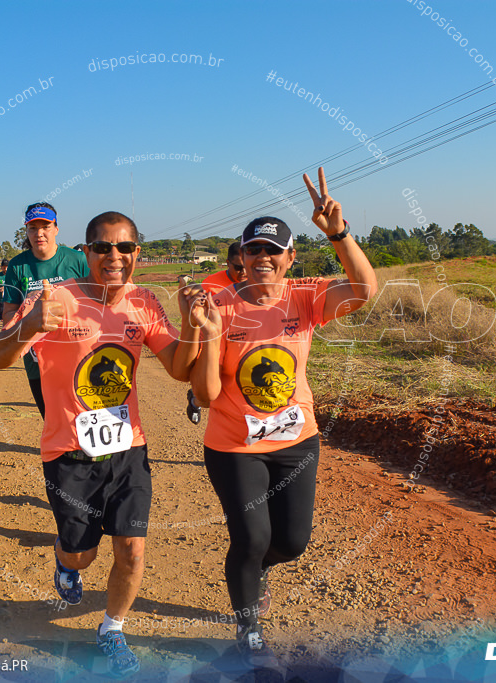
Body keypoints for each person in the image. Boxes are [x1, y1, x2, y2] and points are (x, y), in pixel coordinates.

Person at [0, 211, 206, 678]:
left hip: (128, 447)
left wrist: (191, 327)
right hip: (69, 452)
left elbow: (180, 369)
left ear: (136, 254)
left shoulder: (144, 302)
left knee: (132, 549)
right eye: (102, 247)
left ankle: (112, 628)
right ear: (85, 252)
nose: (114, 256)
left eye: (124, 248)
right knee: (81, 553)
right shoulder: (56, 298)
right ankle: (67, 564)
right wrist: (32, 326)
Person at [190, 168, 378, 668]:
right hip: (234, 443)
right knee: (251, 538)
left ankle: (256, 570)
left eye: (275, 251)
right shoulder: (220, 306)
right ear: (242, 259)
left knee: (291, 543)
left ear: (290, 258)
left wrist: (338, 235)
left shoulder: (305, 296)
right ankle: (248, 629)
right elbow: (206, 394)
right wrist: (208, 334)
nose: (264, 259)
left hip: (297, 440)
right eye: (255, 251)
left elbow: (364, 290)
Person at [1, 202, 89, 418]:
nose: (39, 233)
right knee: (52, 419)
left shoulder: (77, 260)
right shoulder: (17, 266)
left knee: (84, 418)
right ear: (27, 231)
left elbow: (97, 305)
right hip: (37, 362)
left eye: (45, 226)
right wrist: (29, 308)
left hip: (78, 354)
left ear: (56, 229)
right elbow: (8, 317)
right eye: (32, 228)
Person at [182, 242, 247, 424]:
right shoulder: (210, 285)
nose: (244, 272)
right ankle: (195, 400)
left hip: (242, 345)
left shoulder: (255, 283)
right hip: (215, 345)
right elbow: (198, 317)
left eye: (247, 266)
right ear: (227, 263)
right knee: (212, 396)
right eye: (238, 267)